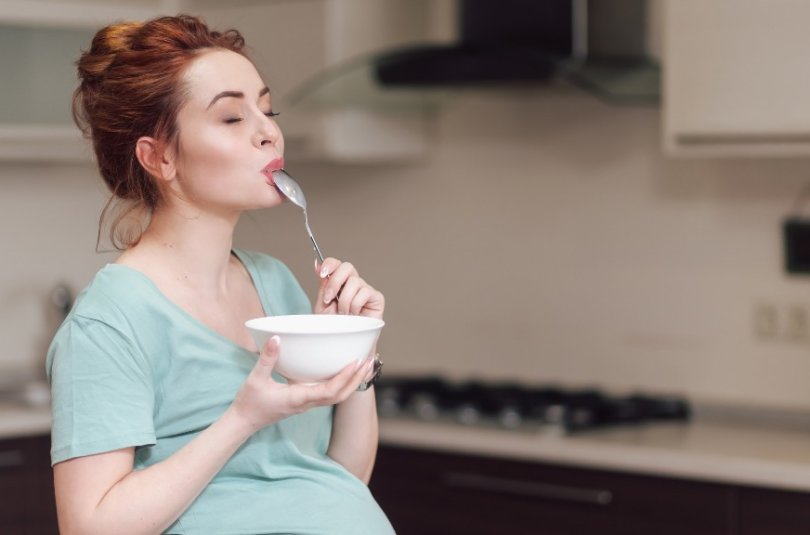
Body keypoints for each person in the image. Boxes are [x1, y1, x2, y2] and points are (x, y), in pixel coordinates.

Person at [46, 14, 393, 535]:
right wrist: (242, 418)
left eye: (267, 110)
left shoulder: (275, 283)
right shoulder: (108, 325)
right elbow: (90, 526)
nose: (269, 132)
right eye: (232, 118)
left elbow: (339, 477)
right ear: (159, 157)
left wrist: (354, 347)